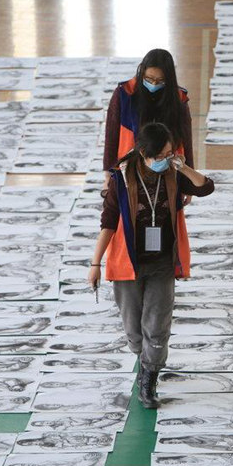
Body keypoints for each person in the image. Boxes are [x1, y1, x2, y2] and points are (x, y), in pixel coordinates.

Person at [89, 122, 214, 409]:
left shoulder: (172, 173)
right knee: (133, 329)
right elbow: (108, 223)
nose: (166, 160)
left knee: (157, 327)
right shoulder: (121, 179)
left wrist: (182, 167)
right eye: (161, 155)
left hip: (162, 262)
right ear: (143, 153)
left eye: (170, 154)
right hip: (128, 263)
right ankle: (144, 360)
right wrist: (95, 263)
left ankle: (149, 378)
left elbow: (206, 187)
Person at [102, 49, 195, 192]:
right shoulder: (124, 94)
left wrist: (188, 182)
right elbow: (111, 134)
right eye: (149, 78)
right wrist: (108, 173)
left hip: (167, 168)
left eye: (160, 80)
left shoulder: (178, 98)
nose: (153, 83)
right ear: (142, 71)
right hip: (130, 168)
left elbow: (186, 139)